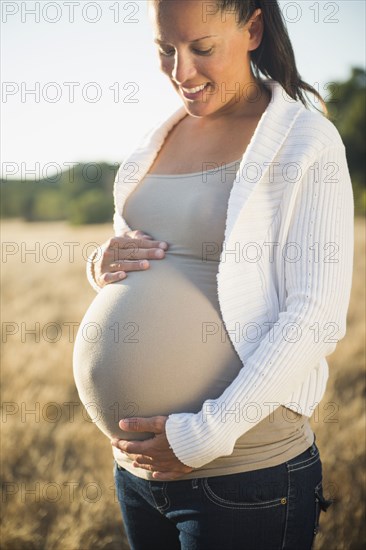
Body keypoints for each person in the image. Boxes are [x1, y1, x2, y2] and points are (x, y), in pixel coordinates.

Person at [82, 1, 354, 548]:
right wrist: (101, 264)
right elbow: (143, 258)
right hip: (137, 472)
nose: (181, 72)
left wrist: (203, 436)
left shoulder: (305, 143)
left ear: (252, 28)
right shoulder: (152, 142)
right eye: (165, 50)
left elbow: (315, 317)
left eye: (201, 48)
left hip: (242, 471)